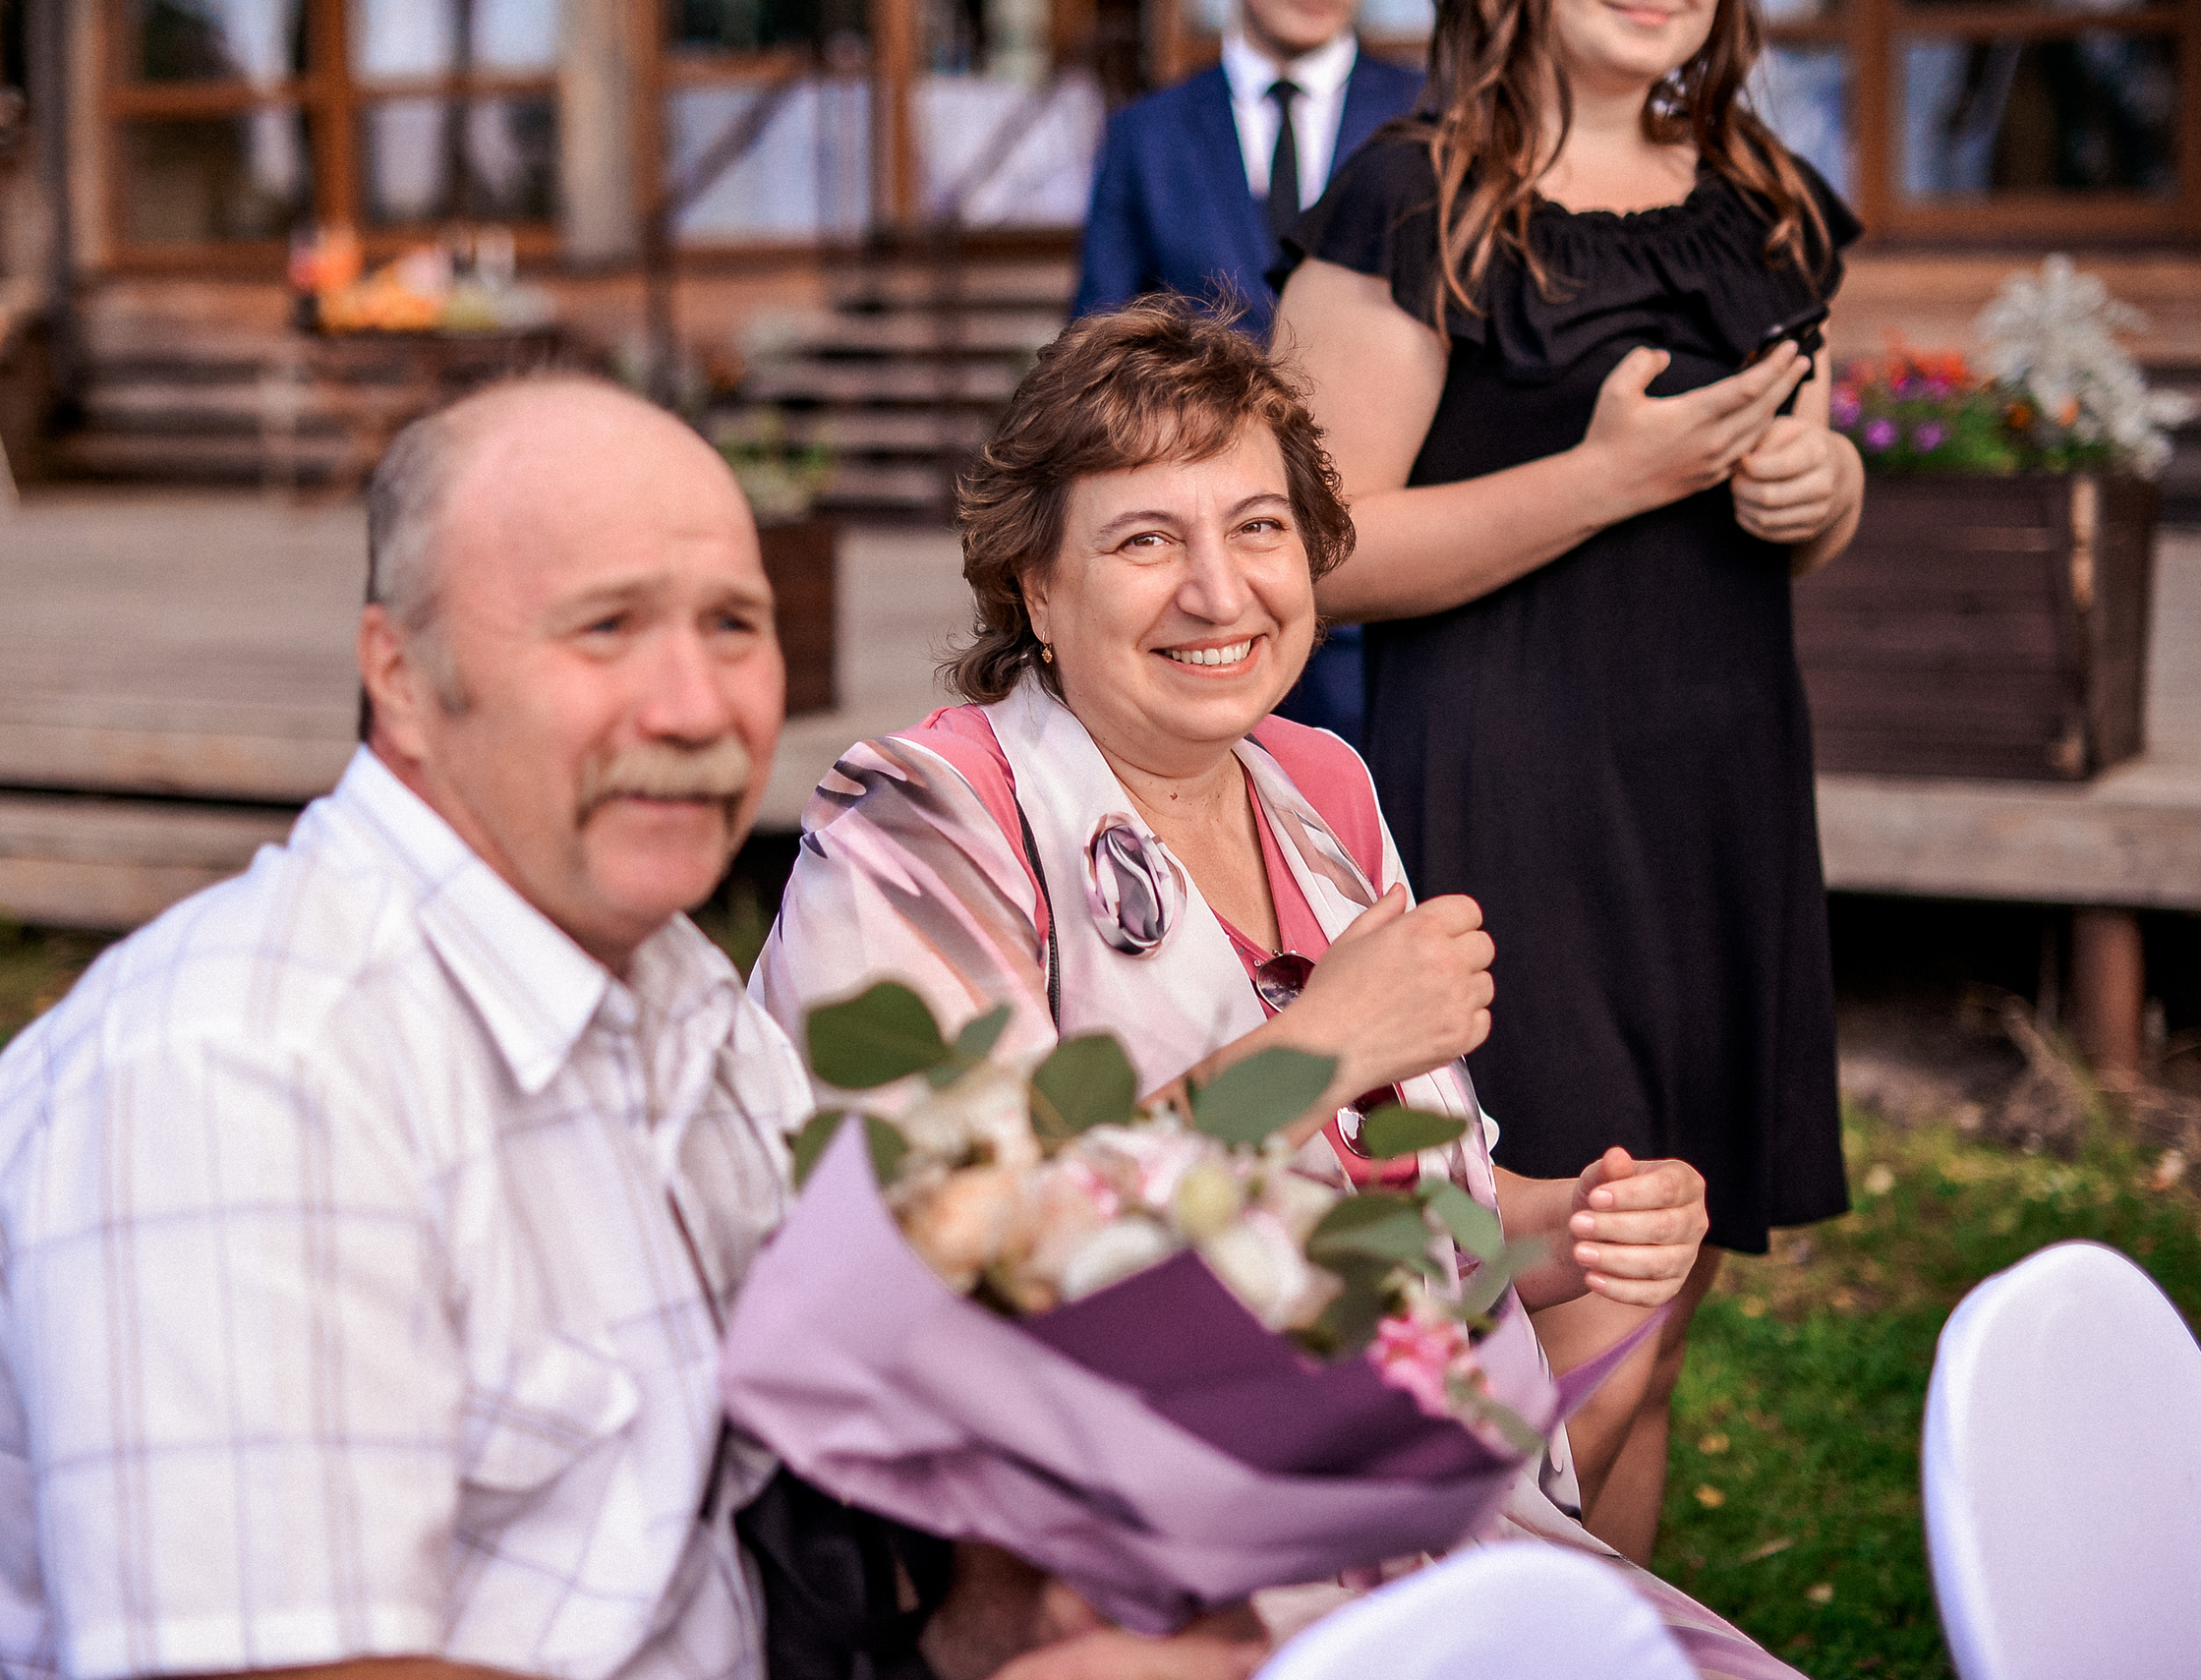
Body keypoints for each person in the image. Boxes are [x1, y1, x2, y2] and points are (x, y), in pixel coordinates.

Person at [0, 377, 1259, 1680]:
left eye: (733, 625)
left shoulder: (670, 987)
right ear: (402, 674)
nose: (692, 706)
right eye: (605, 628)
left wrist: (1019, 1609)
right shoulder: (241, 1075)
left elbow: (786, 1517)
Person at [751, 298, 1801, 1680]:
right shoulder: (925, 817)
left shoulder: (1321, 789)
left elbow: (1398, 1227)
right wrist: (1314, 1050)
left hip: (1403, 1516)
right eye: (1145, 540)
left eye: (1258, 527)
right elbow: (945, 1248)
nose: (1219, 590)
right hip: (1117, 1581)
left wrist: (1565, 1229)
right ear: (1033, 591)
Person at [1268, 0, 1863, 1565]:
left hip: (1719, 815)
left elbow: (1808, 466)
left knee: (1659, 1331)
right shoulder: (1416, 200)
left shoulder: (1765, 194)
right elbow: (1310, 555)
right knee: (1572, 1340)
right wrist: (1610, 479)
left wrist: (1827, 485)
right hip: (1512, 815)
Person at [1072, 0, 1423, 743]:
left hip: (1391, 612)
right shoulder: (1147, 135)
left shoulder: (1432, 114)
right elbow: (1093, 360)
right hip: (1207, 608)